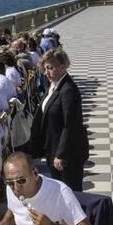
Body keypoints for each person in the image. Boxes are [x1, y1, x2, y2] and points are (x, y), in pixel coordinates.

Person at [0, 152, 94, 225]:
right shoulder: (11, 187)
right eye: (10, 183)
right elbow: (14, 209)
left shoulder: (60, 192)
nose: (16, 188)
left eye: (21, 180)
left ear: (35, 173)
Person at [31, 48, 89, 191]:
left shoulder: (68, 89)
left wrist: (61, 154)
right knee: (60, 192)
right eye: (45, 68)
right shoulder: (54, 86)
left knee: (71, 192)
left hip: (67, 154)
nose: (47, 72)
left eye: (51, 68)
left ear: (63, 66)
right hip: (52, 148)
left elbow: (70, 124)